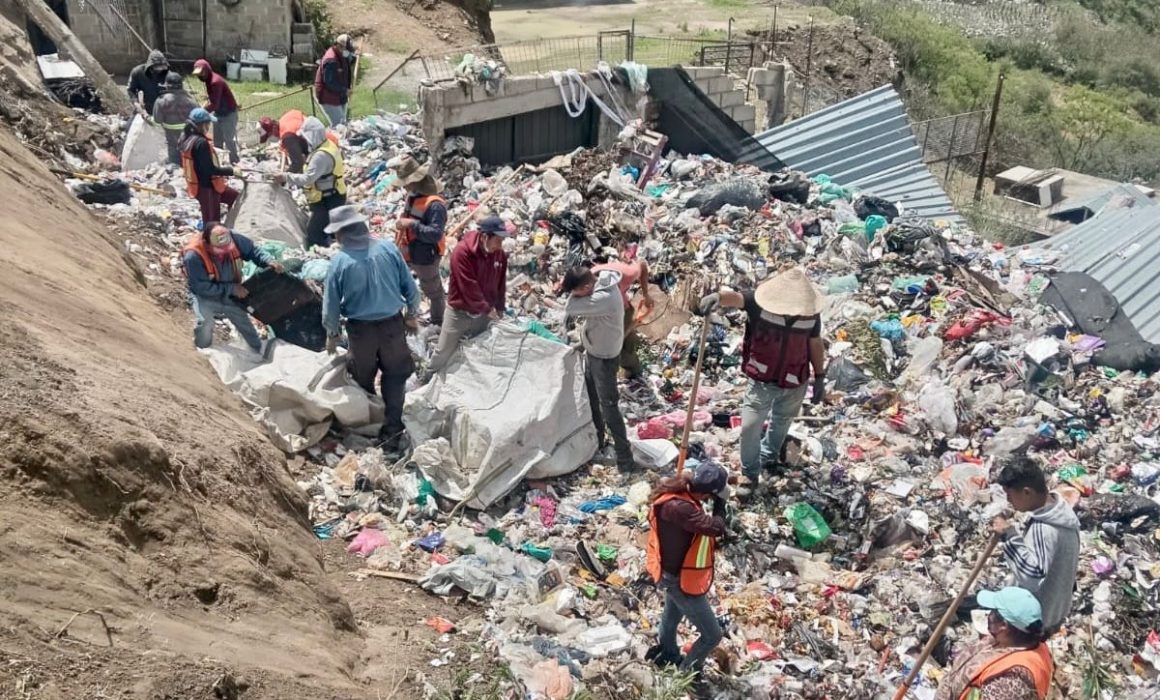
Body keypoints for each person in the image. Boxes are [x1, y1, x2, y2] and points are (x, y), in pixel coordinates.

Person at [699, 267, 826, 493]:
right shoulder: (760, 304)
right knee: (749, 426)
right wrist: (717, 297)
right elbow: (737, 298)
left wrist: (820, 377)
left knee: (781, 421)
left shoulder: (810, 315)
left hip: (795, 380)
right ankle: (750, 472)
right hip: (762, 380)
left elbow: (815, 343)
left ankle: (768, 457)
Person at [322, 206, 419, 452]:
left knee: (362, 377)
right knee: (395, 376)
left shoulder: (340, 262)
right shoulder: (388, 249)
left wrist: (332, 333)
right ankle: (393, 429)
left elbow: (331, 305)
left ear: (342, 234)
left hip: (361, 331)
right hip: (392, 326)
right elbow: (410, 288)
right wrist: (411, 315)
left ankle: (370, 422)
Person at [645, 464, 729, 678]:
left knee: (671, 618)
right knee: (712, 636)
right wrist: (721, 503)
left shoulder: (680, 490)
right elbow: (716, 527)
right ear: (707, 493)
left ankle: (668, 654)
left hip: (672, 573)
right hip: (678, 580)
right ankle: (686, 674)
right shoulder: (679, 507)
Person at [992, 457, 1080, 636]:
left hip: (1036, 618)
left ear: (1027, 492)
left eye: (1010, 495)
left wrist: (1009, 535)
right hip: (1056, 609)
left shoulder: (1044, 528)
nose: (1008, 501)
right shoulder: (1061, 511)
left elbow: (1032, 576)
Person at [563, 265, 634, 472]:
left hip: (604, 359)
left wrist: (576, 297)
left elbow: (570, 308)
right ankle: (599, 442)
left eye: (576, 291)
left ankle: (625, 459)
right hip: (595, 351)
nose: (574, 295)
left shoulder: (604, 298)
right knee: (591, 397)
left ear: (586, 287)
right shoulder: (599, 285)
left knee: (609, 407)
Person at [425, 216, 509, 377]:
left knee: (477, 350)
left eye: (502, 241)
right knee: (443, 351)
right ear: (485, 237)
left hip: (483, 315)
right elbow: (468, 286)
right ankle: (426, 379)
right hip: (459, 313)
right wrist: (487, 308)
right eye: (498, 240)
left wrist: (499, 307)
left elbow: (500, 284)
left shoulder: (499, 255)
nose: (500, 245)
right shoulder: (462, 252)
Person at [934, 587, 1054, 700]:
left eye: (992, 611)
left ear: (1003, 625)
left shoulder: (1010, 682)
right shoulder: (1011, 641)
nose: (988, 614)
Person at [183, 224, 283, 353]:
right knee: (205, 323)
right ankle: (203, 352)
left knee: (244, 323)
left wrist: (268, 261)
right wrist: (232, 289)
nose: (225, 253)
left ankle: (258, 352)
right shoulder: (193, 256)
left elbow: (253, 250)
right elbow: (201, 288)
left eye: (227, 249)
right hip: (205, 296)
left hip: (231, 294)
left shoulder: (233, 238)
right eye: (220, 251)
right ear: (207, 244)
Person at [274, 117, 346, 249]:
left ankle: (322, 255)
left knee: (314, 234)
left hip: (327, 199)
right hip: (333, 194)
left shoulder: (320, 156)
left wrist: (285, 177)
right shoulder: (327, 145)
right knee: (329, 229)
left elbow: (307, 179)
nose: (305, 140)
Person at [393, 156, 448, 326]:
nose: (404, 187)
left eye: (406, 183)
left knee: (433, 291)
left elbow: (435, 234)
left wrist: (411, 224)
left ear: (415, 181)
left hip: (426, 255)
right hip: (410, 251)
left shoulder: (435, 205)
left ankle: (438, 322)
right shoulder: (413, 196)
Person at [591, 258, 653, 378]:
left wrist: (646, 294)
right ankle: (633, 370)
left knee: (616, 348)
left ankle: (634, 371)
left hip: (623, 311)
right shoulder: (588, 282)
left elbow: (642, 264)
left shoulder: (627, 274)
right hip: (608, 314)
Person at [180, 108, 238, 225]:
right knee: (212, 223)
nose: (209, 126)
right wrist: (231, 171)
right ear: (203, 125)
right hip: (207, 188)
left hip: (207, 185)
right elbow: (209, 169)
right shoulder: (201, 143)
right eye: (208, 123)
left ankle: (231, 225)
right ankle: (213, 235)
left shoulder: (187, 139)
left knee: (235, 197)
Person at [192, 59, 240, 164]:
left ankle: (235, 161)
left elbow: (215, 104)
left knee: (229, 139)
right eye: (198, 74)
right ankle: (218, 162)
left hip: (228, 113)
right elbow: (213, 99)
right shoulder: (208, 80)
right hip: (218, 113)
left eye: (202, 73)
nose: (200, 76)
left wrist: (200, 112)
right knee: (217, 140)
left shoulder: (215, 82)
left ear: (207, 70)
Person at [258, 109, 335, 174]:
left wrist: (284, 178)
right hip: (329, 141)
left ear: (274, 129)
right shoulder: (287, 117)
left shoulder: (288, 137)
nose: (270, 139)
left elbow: (298, 163)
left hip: (325, 151)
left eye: (269, 136)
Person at [152, 72, 199, 166]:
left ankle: (176, 166)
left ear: (167, 86)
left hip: (171, 137)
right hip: (189, 136)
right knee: (189, 159)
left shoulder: (161, 101)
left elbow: (157, 121)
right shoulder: (191, 100)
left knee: (174, 162)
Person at [314, 34, 355, 127]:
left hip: (340, 95)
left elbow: (348, 62)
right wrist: (345, 90)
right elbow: (329, 82)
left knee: (342, 122)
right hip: (329, 97)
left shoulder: (341, 54)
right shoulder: (331, 60)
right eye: (346, 50)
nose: (347, 52)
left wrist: (354, 57)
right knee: (339, 124)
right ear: (339, 46)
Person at [127, 49, 169, 115]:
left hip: (163, 111)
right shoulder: (138, 72)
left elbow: (175, 92)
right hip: (144, 109)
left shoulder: (167, 74)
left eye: (162, 66)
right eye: (157, 66)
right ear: (150, 66)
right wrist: (136, 103)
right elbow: (131, 90)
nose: (160, 69)